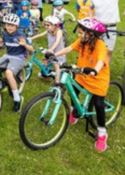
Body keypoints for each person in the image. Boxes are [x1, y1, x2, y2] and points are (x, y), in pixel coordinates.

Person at [47, 17, 111, 152]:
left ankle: (102, 133)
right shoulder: (82, 41)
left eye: (81, 33)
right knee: (73, 91)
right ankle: (74, 113)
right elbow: (69, 48)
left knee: (99, 104)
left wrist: (95, 70)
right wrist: (54, 54)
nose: (79, 35)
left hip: (97, 77)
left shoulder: (100, 45)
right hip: (83, 75)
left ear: (91, 34)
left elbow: (100, 60)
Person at [0, 14, 34, 112]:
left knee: (8, 73)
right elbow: (3, 46)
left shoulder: (20, 35)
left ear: (16, 26)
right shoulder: (5, 34)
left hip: (19, 57)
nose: (9, 27)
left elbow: (31, 50)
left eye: (12, 25)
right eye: (7, 25)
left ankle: (17, 98)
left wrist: (24, 44)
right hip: (8, 55)